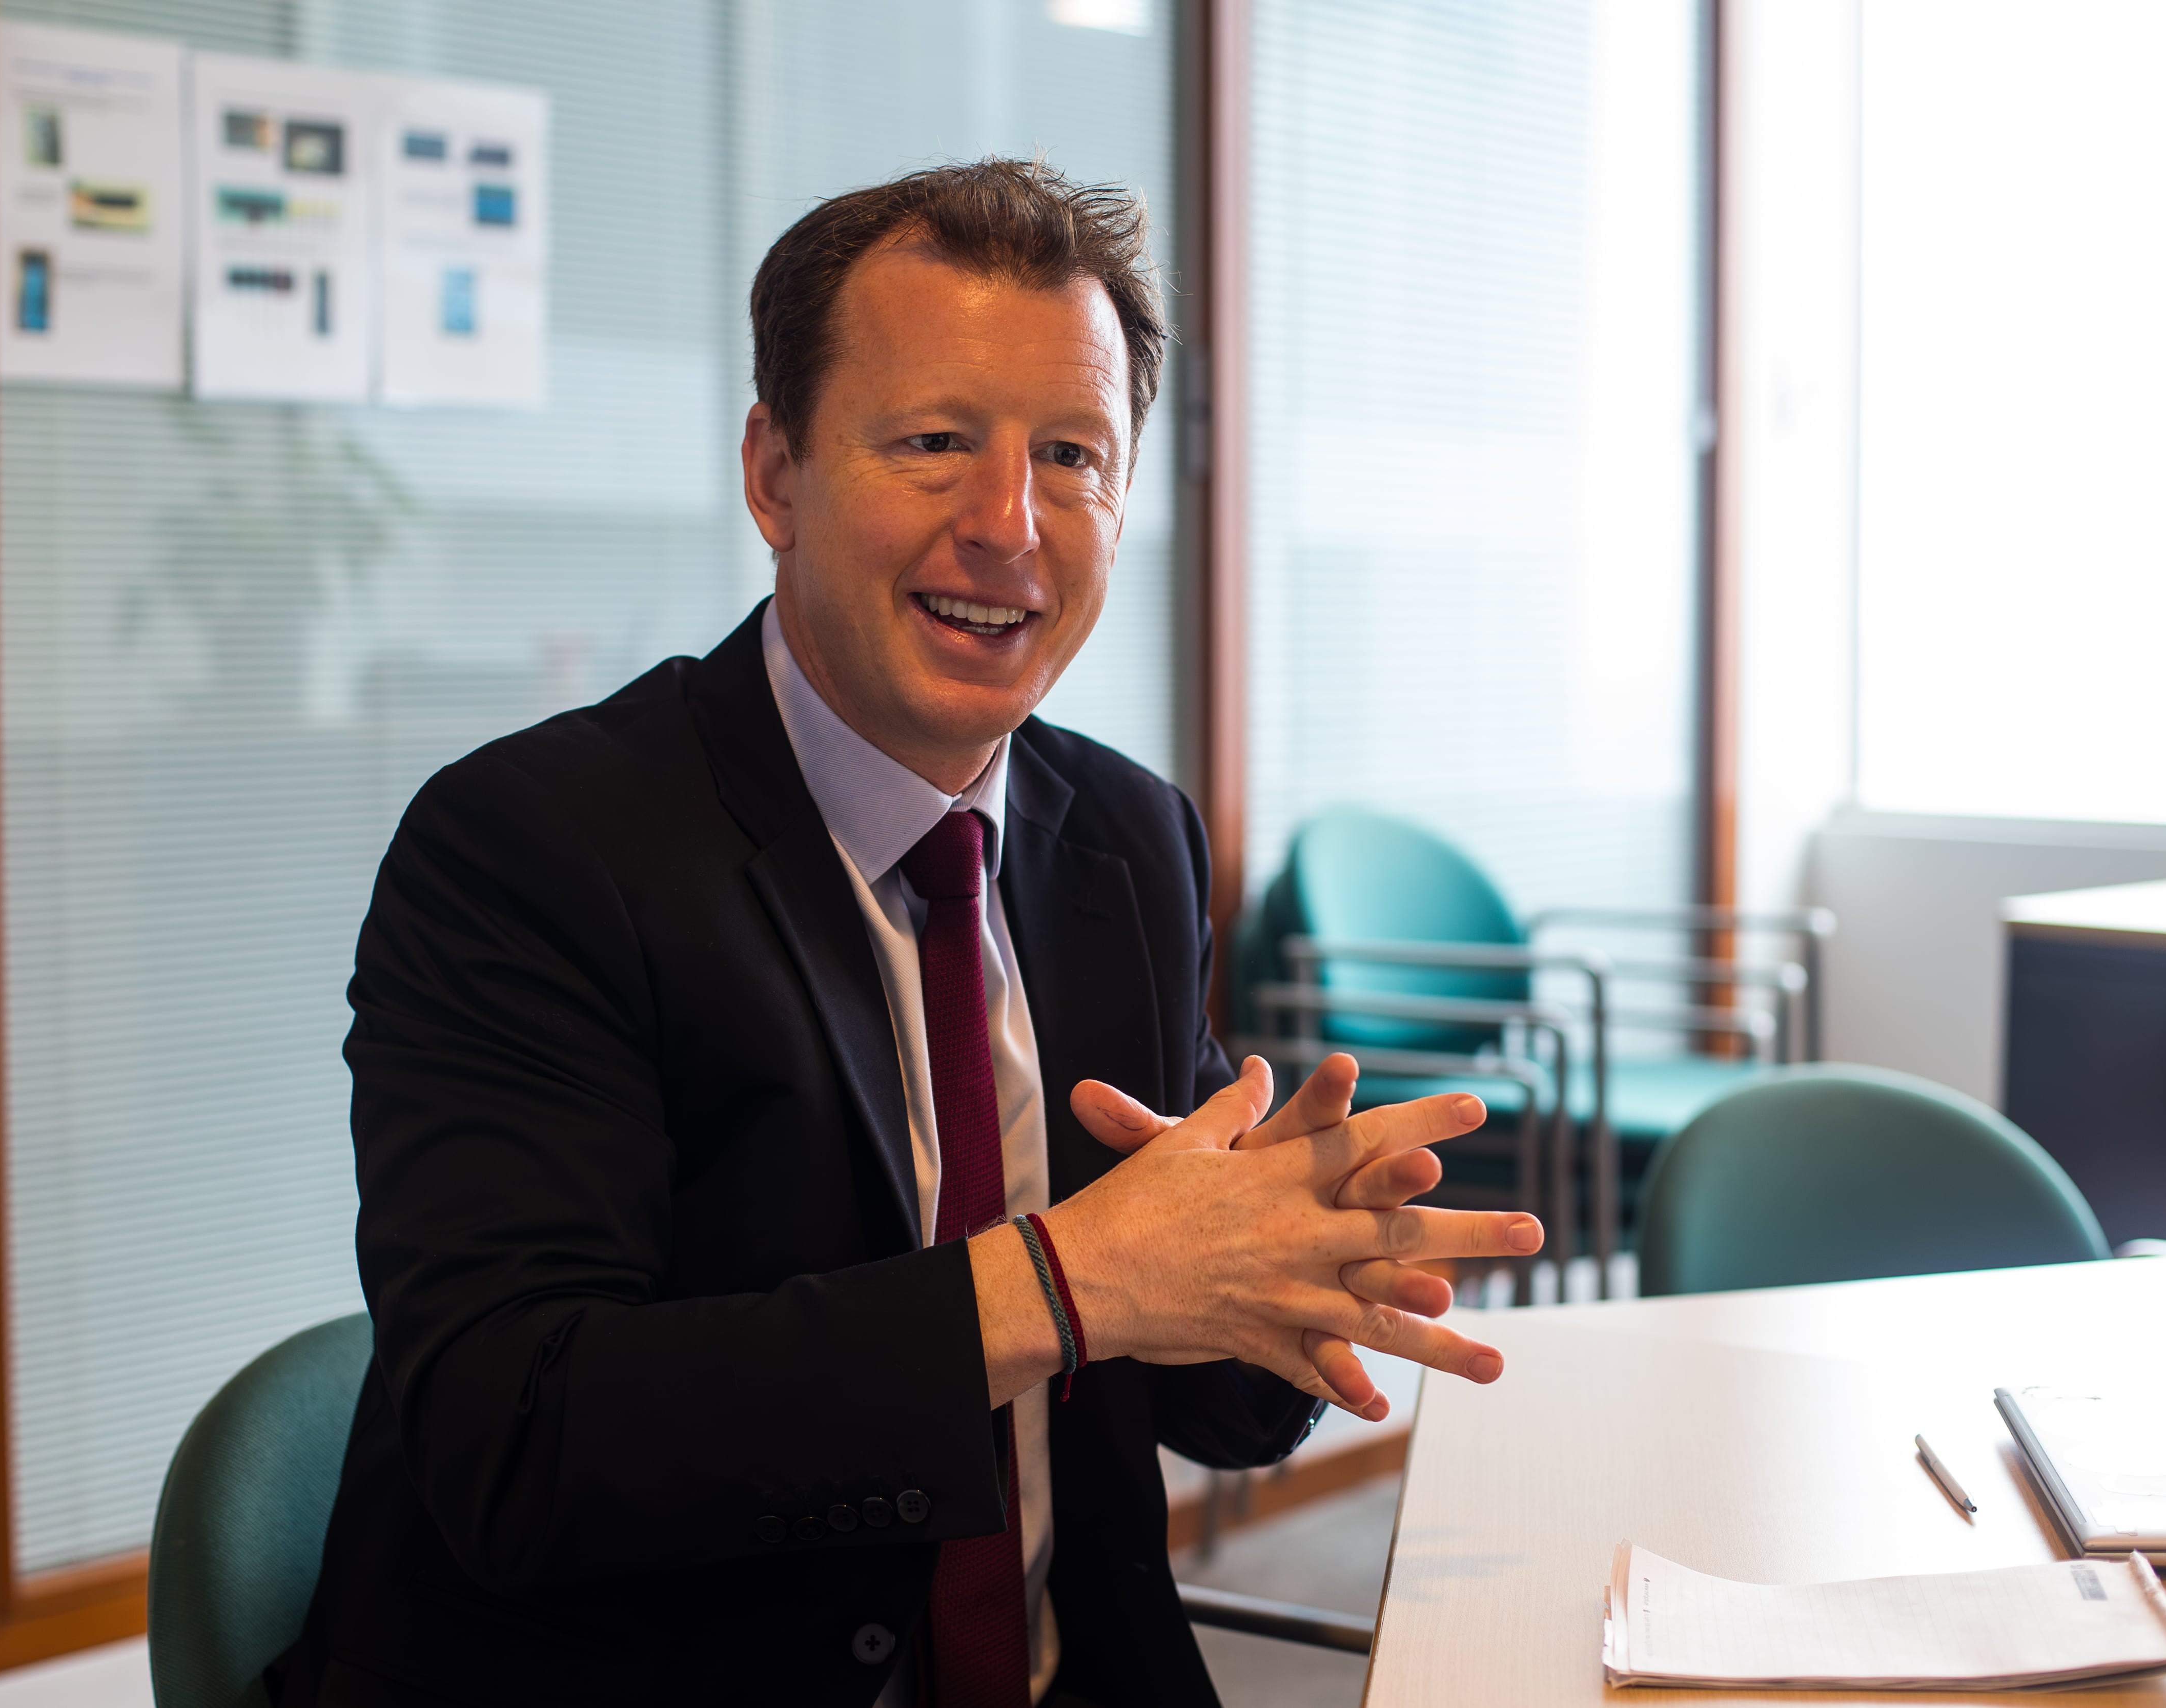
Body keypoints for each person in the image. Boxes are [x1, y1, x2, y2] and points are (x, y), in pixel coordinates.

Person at [271, 159, 1542, 1708]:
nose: (1009, 524)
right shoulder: (532, 849)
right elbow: (523, 1445)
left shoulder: (1126, 838)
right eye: (935, 443)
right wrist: (1064, 1284)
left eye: (1071, 456)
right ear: (776, 474)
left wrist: (1288, 1267)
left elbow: (1197, 1402)